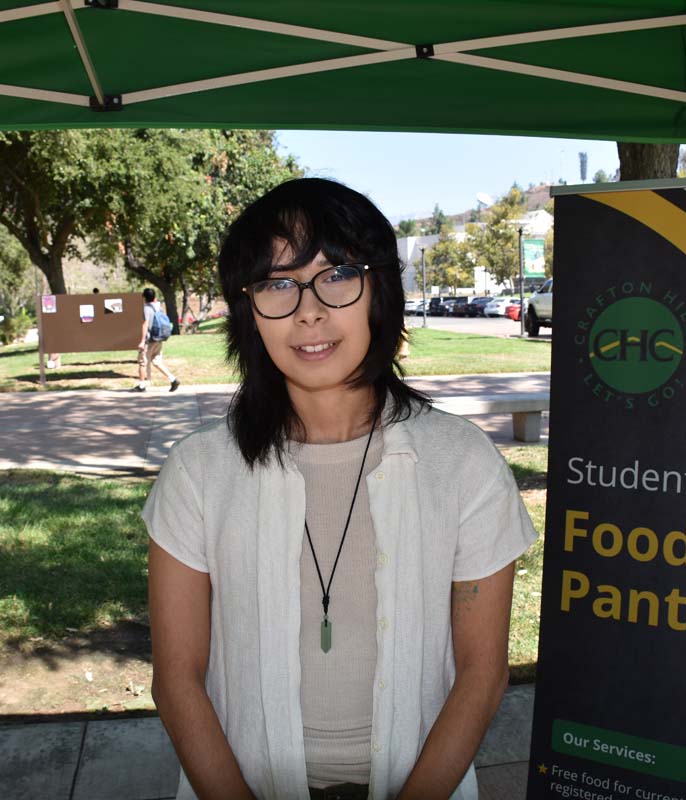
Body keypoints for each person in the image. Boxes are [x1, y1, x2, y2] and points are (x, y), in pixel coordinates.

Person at [143, 178, 536, 800]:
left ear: (381, 290)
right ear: (247, 312)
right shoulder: (199, 473)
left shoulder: (463, 464)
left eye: (338, 275)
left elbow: (482, 674)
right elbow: (177, 678)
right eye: (276, 283)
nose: (309, 311)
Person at [134, 287, 179, 392]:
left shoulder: (147, 308)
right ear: (154, 297)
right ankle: (173, 379)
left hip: (149, 340)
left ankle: (141, 385)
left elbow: (145, 324)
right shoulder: (159, 307)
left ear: (144, 298)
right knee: (156, 361)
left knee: (142, 362)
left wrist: (142, 341)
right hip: (159, 338)